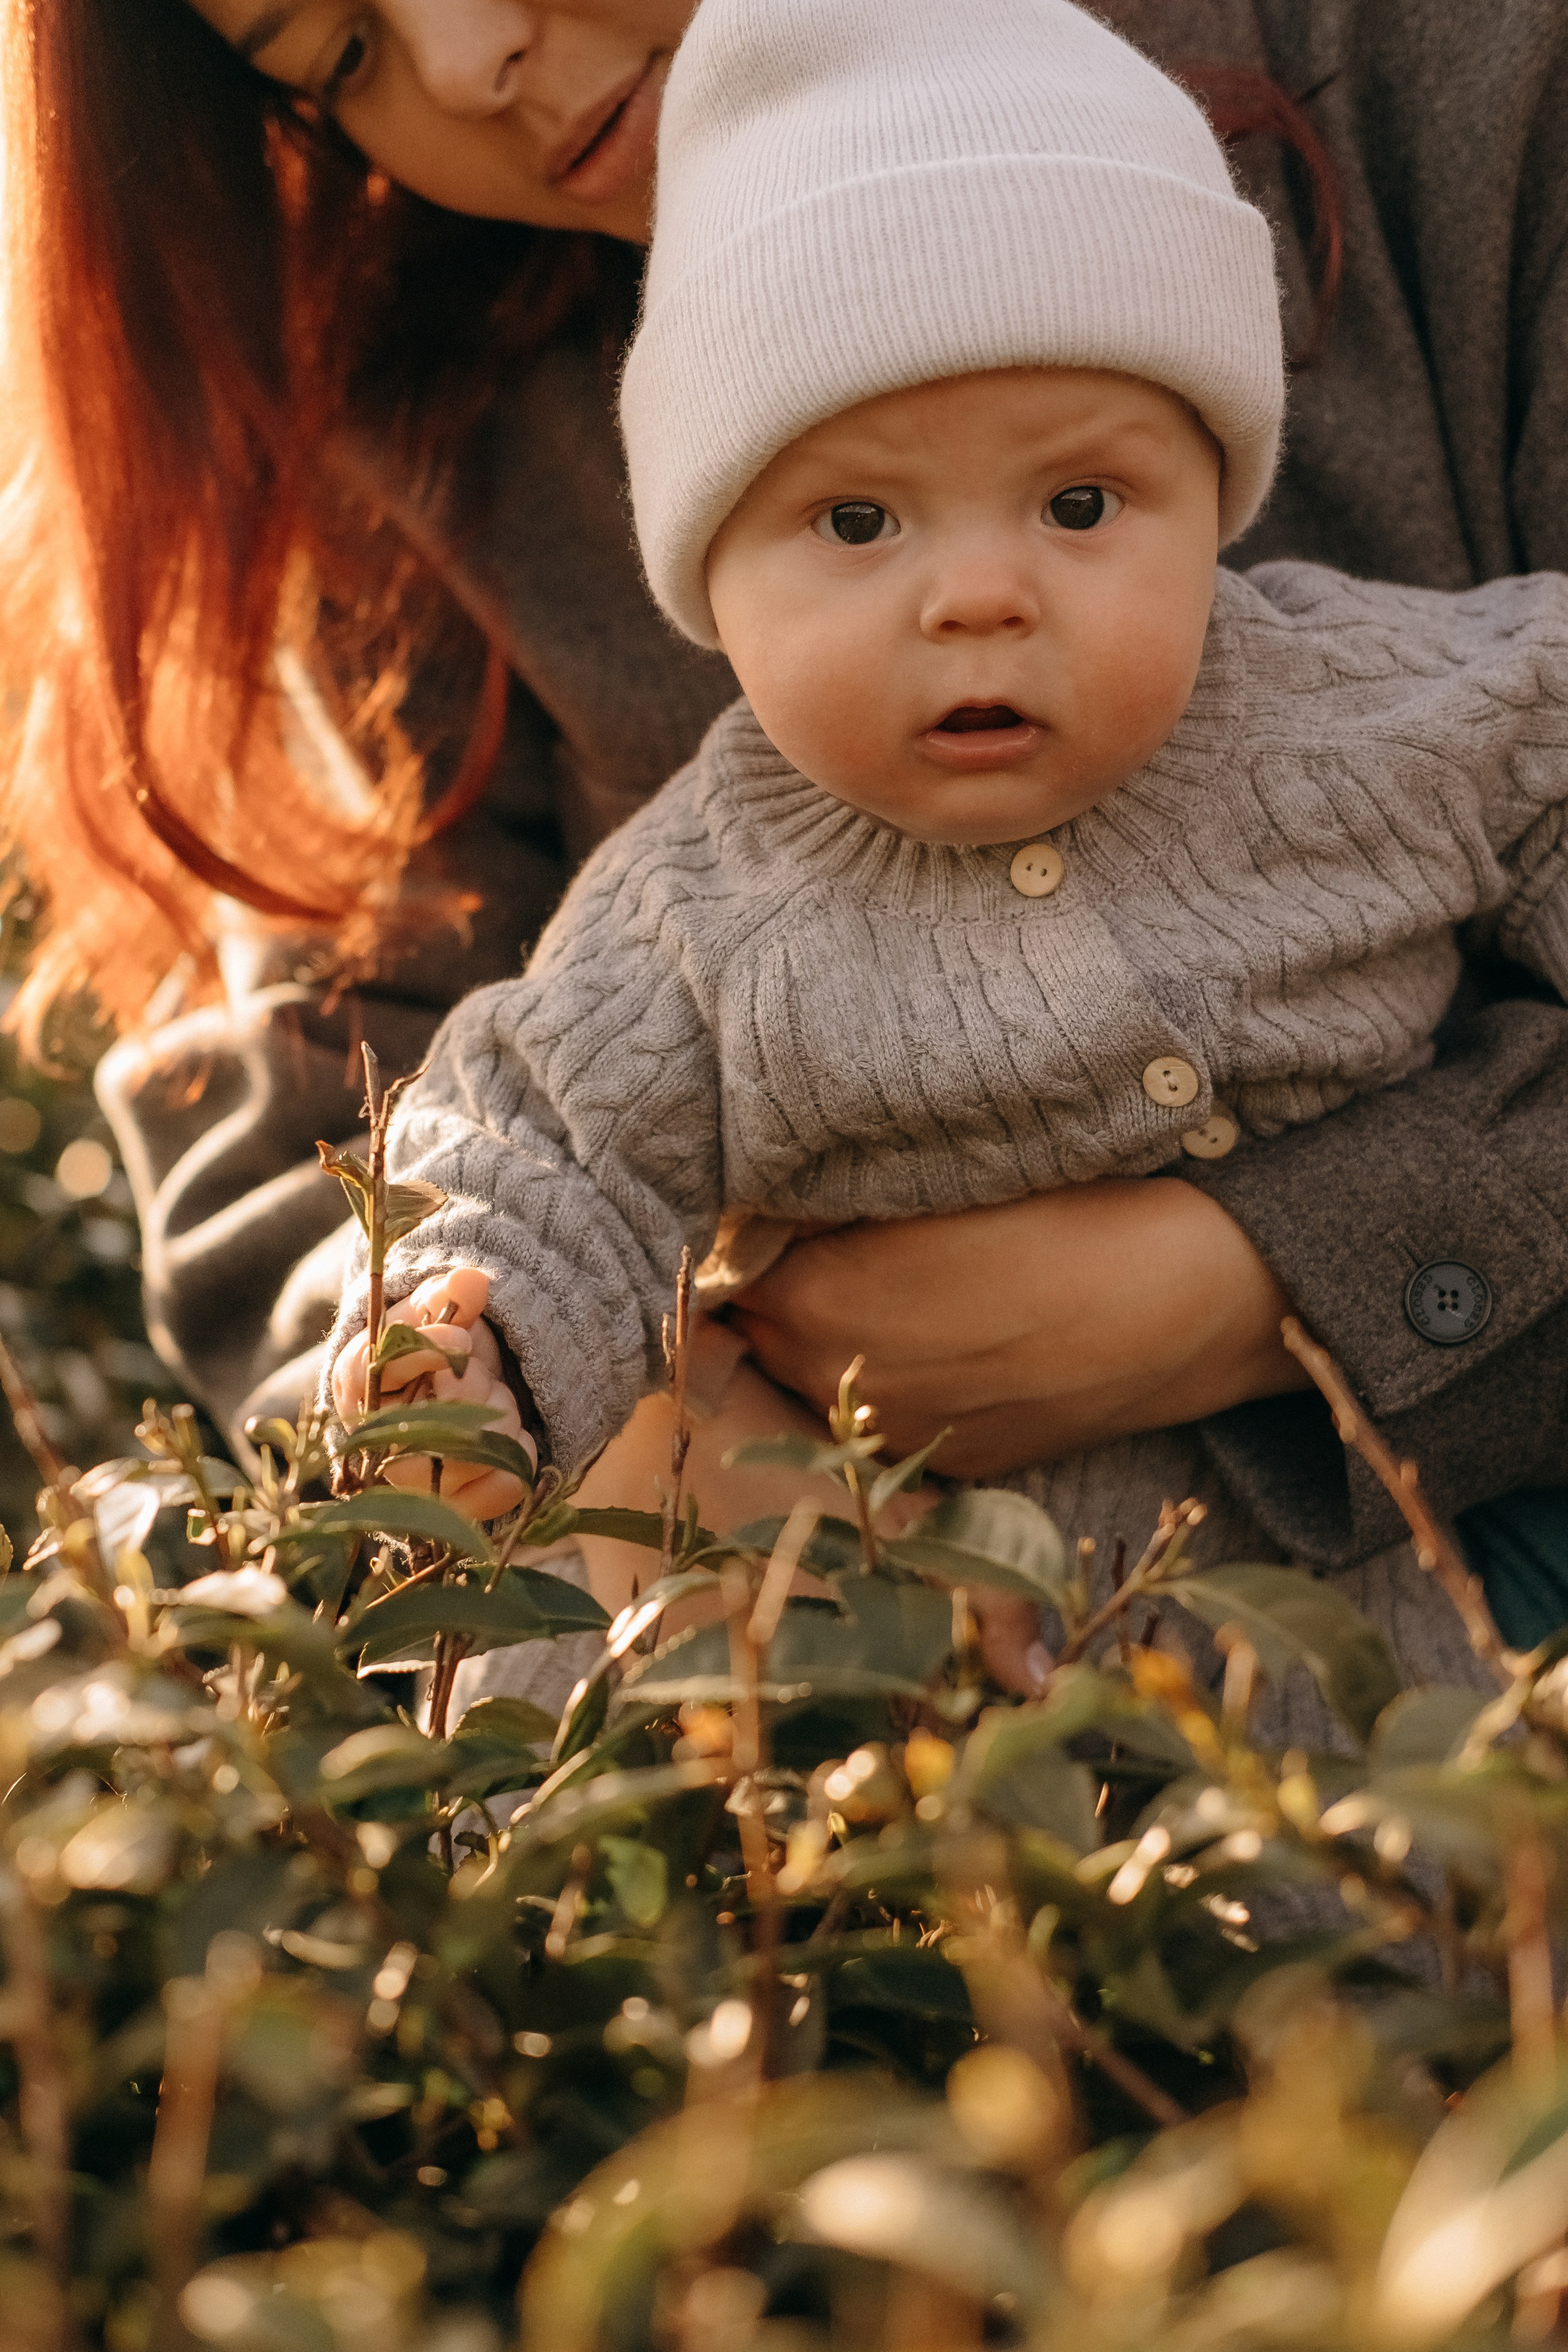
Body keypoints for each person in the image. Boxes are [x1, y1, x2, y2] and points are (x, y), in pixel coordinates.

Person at [3, 0, 1566, 1661]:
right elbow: (368, 1150)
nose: (466, 67)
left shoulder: (1462, 80)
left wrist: (1266, 1285)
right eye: (333, 57)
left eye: (1083, 501)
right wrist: (606, 1436)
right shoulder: (414, 407)